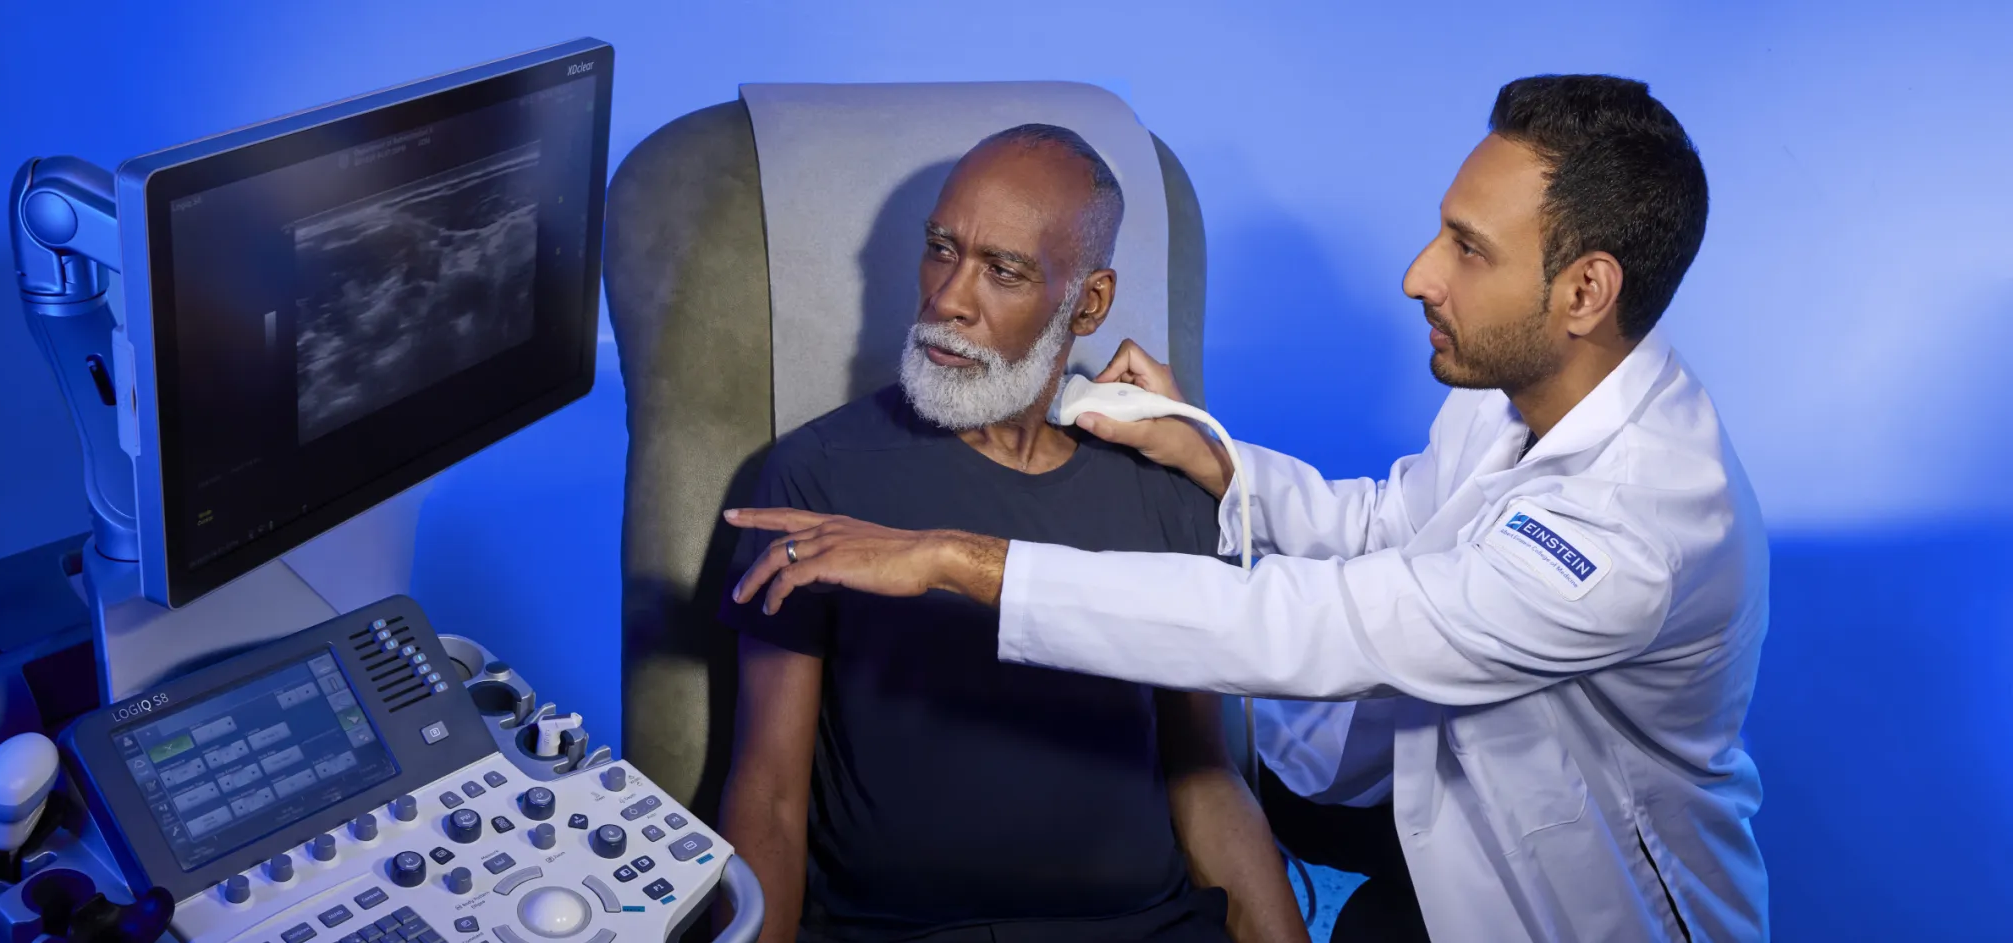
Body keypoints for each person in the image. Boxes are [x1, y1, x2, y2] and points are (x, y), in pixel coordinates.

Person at [724, 75, 1770, 943]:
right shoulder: (1515, 400)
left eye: (1467, 249)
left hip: (1565, 905)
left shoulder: (1638, 533)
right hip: (1430, 813)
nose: (1417, 276)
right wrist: (1215, 459)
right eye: (940, 248)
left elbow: (1302, 633)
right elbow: (1384, 528)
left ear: (1584, 294)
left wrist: (962, 561)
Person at [715, 124, 1305, 943]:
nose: (949, 299)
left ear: (1087, 302)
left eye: (1003, 270)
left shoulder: (1163, 483)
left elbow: (1204, 775)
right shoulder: (817, 477)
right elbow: (769, 796)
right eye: (939, 249)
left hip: (1146, 926)